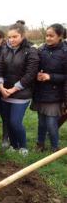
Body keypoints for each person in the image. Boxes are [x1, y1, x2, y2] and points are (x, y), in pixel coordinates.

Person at [0, 21, 39, 156]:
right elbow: (0, 69)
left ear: (22, 36)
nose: (11, 40)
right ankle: (14, 146)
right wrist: (1, 86)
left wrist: (14, 89)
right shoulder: (5, 49)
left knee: (15, 122)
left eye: (15, 37)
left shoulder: (31, 50)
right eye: (9, 37)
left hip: (21, 93)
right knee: (8, 122)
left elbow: (30, 74)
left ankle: (23, 146)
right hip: (5, 92)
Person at [31, 23, 67, 152]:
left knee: (52, 124)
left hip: (55, 94)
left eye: (51, 36)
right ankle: (40, 145)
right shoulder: (41, 50)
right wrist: (37, 75)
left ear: (60, 36)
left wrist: (50, 77)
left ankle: (55, 148)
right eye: (46, 35)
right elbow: (34, 67)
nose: (48, 38)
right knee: (41, 122)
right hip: (41, 92)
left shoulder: (65, 52)